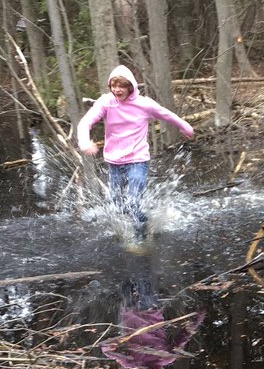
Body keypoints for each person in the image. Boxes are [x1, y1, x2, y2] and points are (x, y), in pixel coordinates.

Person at [77, 64, 194, 240]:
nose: (117, 90)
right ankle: (141, 224)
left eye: (121, 86)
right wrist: (85, 142)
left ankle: (141, 238)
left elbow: (166, 114)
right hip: (114, 162)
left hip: (137, 160)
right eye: (113, 85)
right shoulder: (106, 102)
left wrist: (186, 127)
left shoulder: (144, 104)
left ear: (130, 87)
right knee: (118, 205)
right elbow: (85, 123)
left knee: (132, 203)